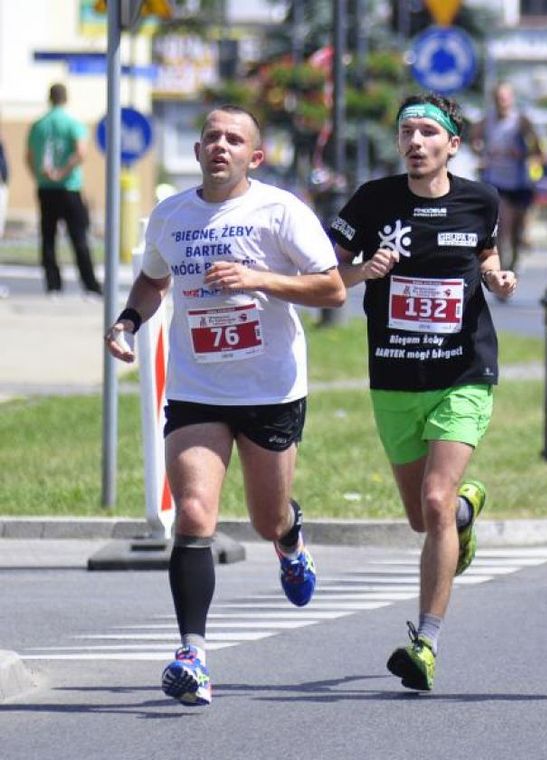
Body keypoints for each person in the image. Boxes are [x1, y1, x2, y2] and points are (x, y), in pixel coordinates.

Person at [104, 105, 347, 706]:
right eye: (211, 136)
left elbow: (333, 287)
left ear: (254, 157)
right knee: (192, 513)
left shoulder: (280, 211)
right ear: (196, 151)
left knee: (266, 519)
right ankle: (193, 654)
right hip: (197, 387)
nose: (220, 146)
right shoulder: (171, 215)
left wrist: (259, 279)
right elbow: (154, 280)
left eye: (233, 139)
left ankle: (290, 541)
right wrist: (128, 321)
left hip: (269, 389)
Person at [329, 93, 517, 692]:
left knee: (433, 502)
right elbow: (325, 276)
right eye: (406, 131)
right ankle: (467, 509)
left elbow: (485, 250)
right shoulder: (372, 202)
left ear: (451, 146)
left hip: (463, 372)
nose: (415, 142)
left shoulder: (480, 200)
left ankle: (425, 643)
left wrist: (496, 274)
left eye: (427, 133)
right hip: (394, 376)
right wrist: (363, 272)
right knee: (424, 517)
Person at [25, 83, 102, 296]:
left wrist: (40, 176)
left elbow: (29, 157)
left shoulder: (38, 125)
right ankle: (90, 284)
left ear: (49, 98)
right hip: (69, 187)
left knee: (48, 237)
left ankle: (53, 284)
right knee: (79, 237)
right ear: (65, 98)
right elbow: (81, 152)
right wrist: (63, 171)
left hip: (46, 188)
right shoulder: (72, 123)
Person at [469, 81, 545, 273]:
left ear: (512, 99)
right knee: (503, 224)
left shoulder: (521, 121)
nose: (502, 101)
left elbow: (538, 150)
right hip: (496, 181)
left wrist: (521, 154)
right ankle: (502, 268)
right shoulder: (487, 120)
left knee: (516, 232)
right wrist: (480, 151)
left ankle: (514, 260)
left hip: (519, 182)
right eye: (498, 97)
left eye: (505, 97)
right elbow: (473, 141)